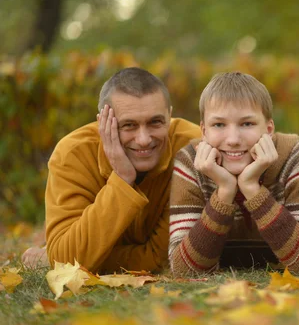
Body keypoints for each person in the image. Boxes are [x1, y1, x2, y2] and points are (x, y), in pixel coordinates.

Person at [32, 67, 201, 273]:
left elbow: (165, 258)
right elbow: (66, 261)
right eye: (129, 125)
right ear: (102, 123)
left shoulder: (193, 149)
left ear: (170, 116)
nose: (143, 139)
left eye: (155, 122)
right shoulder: (73, 154)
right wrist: (121, 180)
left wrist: (91, 258)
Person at [168, 72, 299, 276]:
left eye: (247, 124)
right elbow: (184, 271)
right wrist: (225, 191)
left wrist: (251, 189)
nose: (233, 140)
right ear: (204, 131)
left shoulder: (294, 156)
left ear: (269, 129)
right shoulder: (191, 162)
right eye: (219, 125)